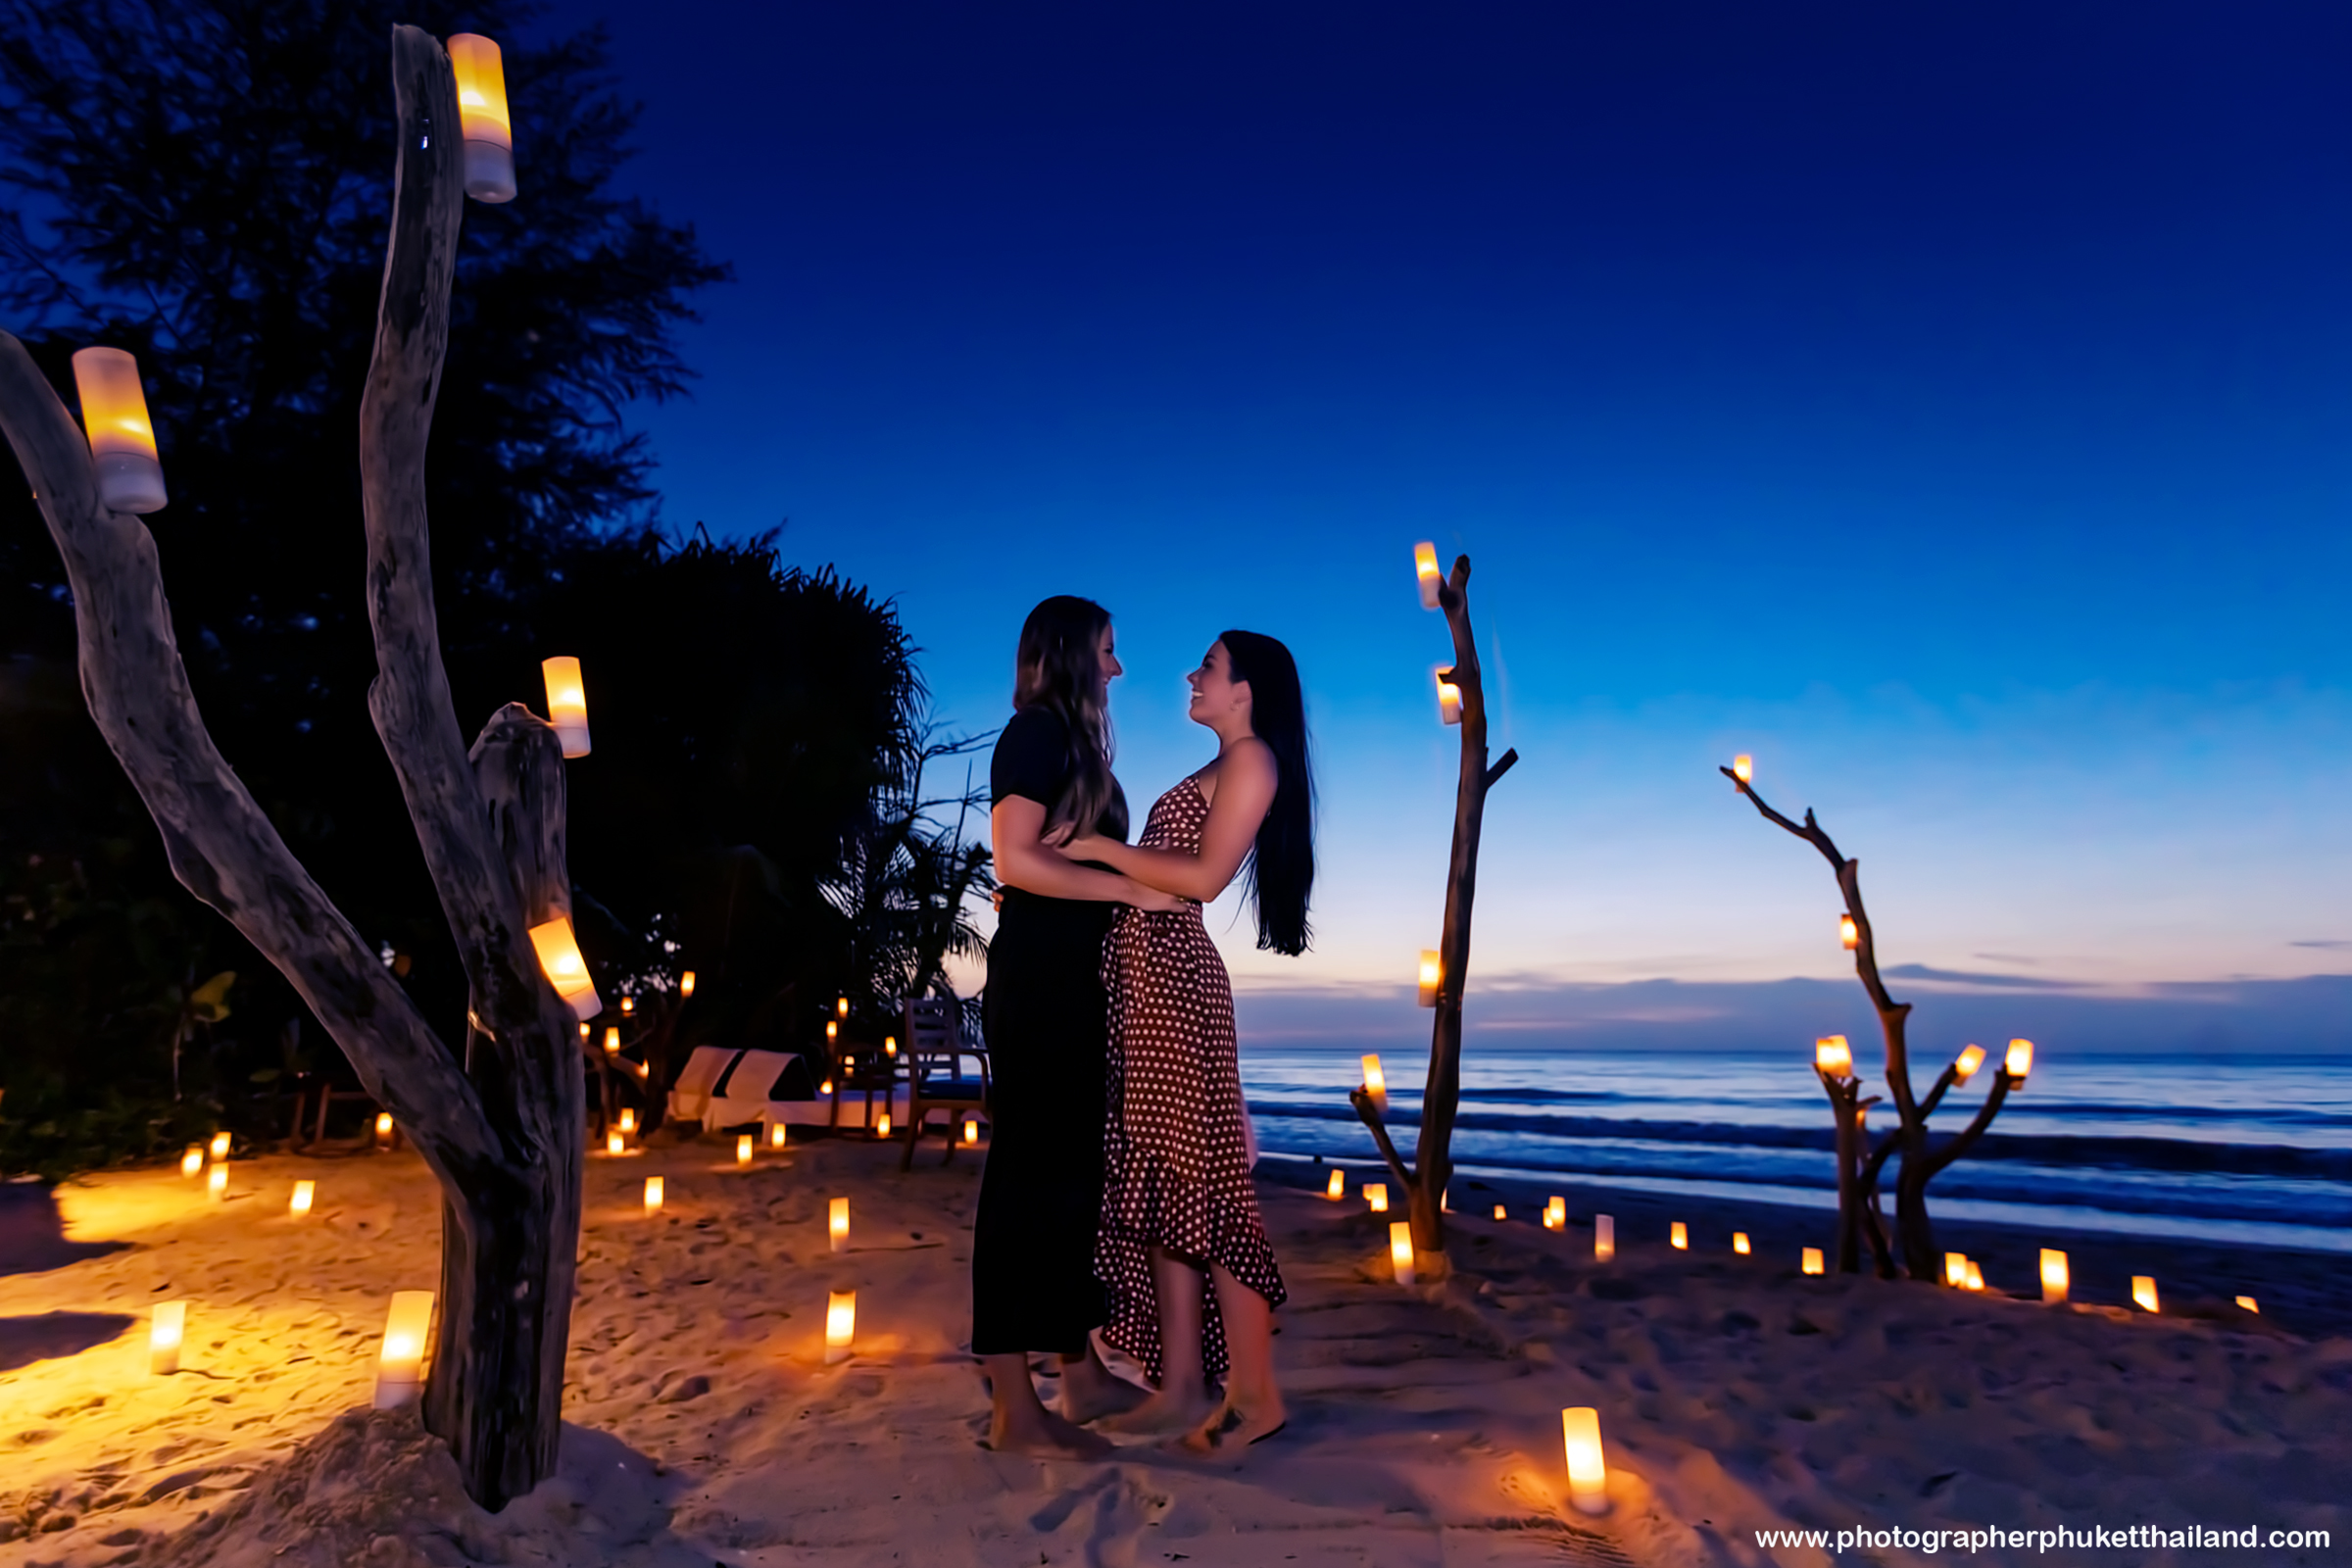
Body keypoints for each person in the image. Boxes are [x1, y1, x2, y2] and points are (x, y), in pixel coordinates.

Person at [1053, 629, 1315, 1452]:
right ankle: (1183, 1386)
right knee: (1168, 1182)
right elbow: (1153, 881)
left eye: (1209, 667)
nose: (1192, 676)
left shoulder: (1253, 761)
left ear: (1246, 691)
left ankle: (1255, 1394)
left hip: (1175, 987)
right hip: (1145, 983)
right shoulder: (1225, 763)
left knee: (1206, 1186)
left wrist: (1094, 848)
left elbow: (1200, 877)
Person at [974, 595, 1180, 1458]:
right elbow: (1015, 860)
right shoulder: (1035, 735)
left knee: (1070, 1180)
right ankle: (1014, 1408)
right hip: (1040, 985)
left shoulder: (1069, 746)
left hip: (1074, 983)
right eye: (1107, 649)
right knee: (1029, 1178)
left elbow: (1044, 862)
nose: (1117, 666)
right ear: (1070, 654)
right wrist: (1129, 888)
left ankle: (1079, 1370)